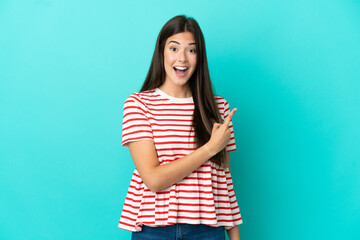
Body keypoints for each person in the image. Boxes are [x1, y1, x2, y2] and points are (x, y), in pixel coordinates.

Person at [118, 15, 243, 240]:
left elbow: (225, 182)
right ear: (162, 52)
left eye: (191, 50)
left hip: (208, 230)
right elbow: (153, 180)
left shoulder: (218, 107)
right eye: (174, 48)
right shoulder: (139, 104)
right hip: (153, 231)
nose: (182, 58)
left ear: (199, 57)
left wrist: (234, 236)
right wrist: (209, 149)